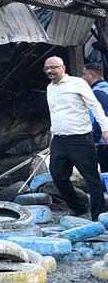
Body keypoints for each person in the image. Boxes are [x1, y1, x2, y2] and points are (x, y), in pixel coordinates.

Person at [45, 56, 108, 220]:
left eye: (53, 67)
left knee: (91, 178)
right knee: (58, 176)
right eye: (47, 68)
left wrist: (105, 129)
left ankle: (99, 215)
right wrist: (52, 136)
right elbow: (54, 114)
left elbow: (95, 106)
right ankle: (78, 207)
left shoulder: (77, 83)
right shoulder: (50, 88)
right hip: (59, 140)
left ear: (63, 68)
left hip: (80, 139)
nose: (50, 71)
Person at [82, 62, 108, 174]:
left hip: (103, 141)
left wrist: (95, 138)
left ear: (92, 75)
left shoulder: (97, 92)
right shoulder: (105, 88)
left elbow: (101, 115)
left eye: (84, 74)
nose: (82, 78)